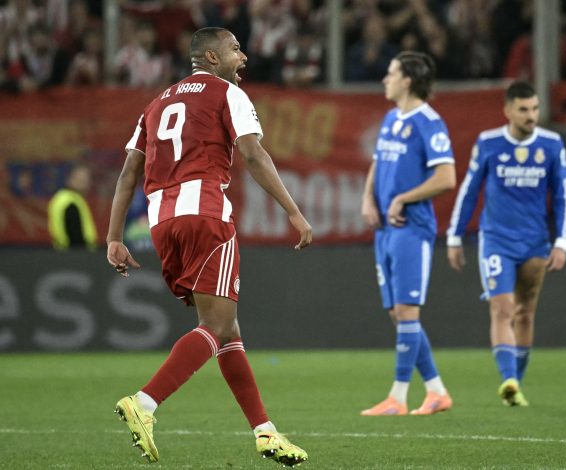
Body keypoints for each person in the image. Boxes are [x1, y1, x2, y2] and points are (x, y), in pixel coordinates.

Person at [106, 27, 312, 466]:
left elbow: (128, 174)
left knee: (227, 329)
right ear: (212, 58)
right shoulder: (226, 94)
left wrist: (114, 236)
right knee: (216, 327)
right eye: (236, 49)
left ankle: (265, 431)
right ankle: (144, 403)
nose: (245, 57)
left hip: (162, 223)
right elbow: (254, 155)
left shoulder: (156, 103)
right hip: (204, 214)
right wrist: (293, 211)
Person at [446, 81, 566, 407]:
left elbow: (563, 196)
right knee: (501, 309)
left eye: (534, 109)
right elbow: (469, 191)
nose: (531, 115)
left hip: (535, 242)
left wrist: (562, 241)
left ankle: (516, 385)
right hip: (496, 240)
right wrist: (454, 236)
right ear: (507, 111)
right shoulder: (489, 143)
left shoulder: (552, 144)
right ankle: (509, 379)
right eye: (523, 109)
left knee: (525, 313)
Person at [360, 51, 456, 416]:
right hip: (385, 229)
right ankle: (436, 392)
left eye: (391, 73)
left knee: (406, 311)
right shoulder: (390, 118)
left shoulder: (428, 122)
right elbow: (378, 162)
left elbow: (446, 177)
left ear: (408, 80)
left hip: (412, 228)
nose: (385, 79)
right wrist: (369, 198)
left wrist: (403, 197)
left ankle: (398, 398)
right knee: (398, 315)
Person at [48, 163, 98, 250]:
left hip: (63, 252)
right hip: (75, 255)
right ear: (70, 178)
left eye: (86, 179)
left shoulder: (61, 198)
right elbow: (75, 235)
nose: (86, 183)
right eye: (82, 179)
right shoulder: (71, 201)